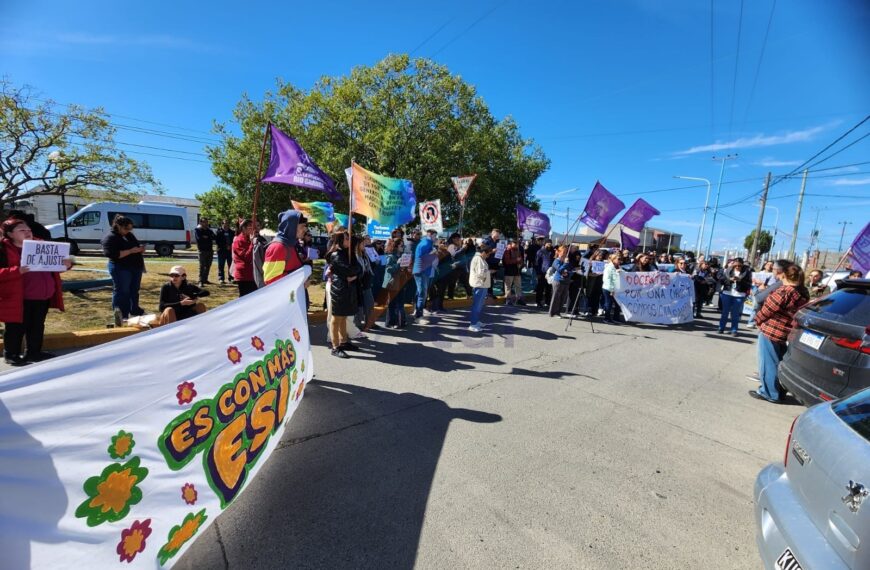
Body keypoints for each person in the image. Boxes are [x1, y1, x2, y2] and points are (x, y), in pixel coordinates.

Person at [0, 219, 70, 365]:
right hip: (19, 297)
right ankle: (11, 354)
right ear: (10, 234)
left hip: (42, 295)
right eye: (22, 230)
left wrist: (65, 265)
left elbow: (54, 268)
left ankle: (33, 352)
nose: (27, 232)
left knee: (37, 326)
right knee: (16, 327)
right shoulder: (3, 250)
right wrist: (17, 271)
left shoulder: (43, 245)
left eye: (28, 230)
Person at [749, 265, 810, 403]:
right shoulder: (803, 292)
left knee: (768, 363)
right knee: (779, 362)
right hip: (786, 331)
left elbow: (767, 309)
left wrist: (758, 320)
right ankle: (779, 391)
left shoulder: (784, 291)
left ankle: (769, 392)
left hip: (771, 330)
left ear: (784, 276)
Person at [101, 214, 146, 325]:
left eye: (131, 228)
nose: (129, 231)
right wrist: (131, 251)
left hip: (135, 267)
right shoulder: (110, 238)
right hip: (121, 268)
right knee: (122, 291)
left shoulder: (129, 235)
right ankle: (121, 314)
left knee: (134, 290)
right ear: (118, 226)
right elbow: (113, 254)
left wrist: (140, 249)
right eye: (126, 228)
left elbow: (135, 246)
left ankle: (134, 309)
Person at [326, 231, 360, 358]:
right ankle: (335, 347)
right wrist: (354, 272)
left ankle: (344, 341)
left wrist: (355, 274)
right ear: (340, 240)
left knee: (344, 316)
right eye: (346, 239)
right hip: (339, 289)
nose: (348, 241)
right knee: (337, 317)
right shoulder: (336, 255)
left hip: (347, 288)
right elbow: (349, 270)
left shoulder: (347, 253)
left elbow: (358, 268)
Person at [263, 211, 308, 285]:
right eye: (303, 226)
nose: (305, 230)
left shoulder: (290, 244)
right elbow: (270, 279)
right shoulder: (278, 247)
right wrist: (300, 280)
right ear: (292, 227)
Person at [718, 257, 752, 336]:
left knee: (735, 314)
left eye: (739, 266)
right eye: (735, 265)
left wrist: (740, 280)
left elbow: (749, 284)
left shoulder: (747, 272)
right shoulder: (728, 271)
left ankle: (734, 330)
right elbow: (722, 280)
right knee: (725, 312)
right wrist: (730, 279)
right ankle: (721, 328)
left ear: (742, 265)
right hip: (727, 293)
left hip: (739, 295)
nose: (737, 267)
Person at [383, 238, 410, 328]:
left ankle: (400, 321)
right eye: (401, 245)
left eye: (404, 245)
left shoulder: (403, 255)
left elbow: (403, 269)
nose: (403, 247)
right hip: (393, 283)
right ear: (396, 246)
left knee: (400, 302)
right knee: (392, 303)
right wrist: (398, 264)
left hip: (401, 282)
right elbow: (389, 269)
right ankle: (391, 322)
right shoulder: (391, 256)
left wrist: (405, 268)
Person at [412, 229, 437, 322]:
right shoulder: (425, 243)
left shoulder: (427, 243)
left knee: (420, 293)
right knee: (423, 294)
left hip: (423, 270)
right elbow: (422, 258)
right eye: (434, 235)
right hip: (421, 271)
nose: (436, 238)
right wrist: (433, 253)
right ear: (430, 235)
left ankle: (417, 311)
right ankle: (418, 316)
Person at [468, 243, 493, 332]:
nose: (488, 255)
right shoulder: (478, 259)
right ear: (483, 252)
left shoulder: (480, 258)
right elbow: (480, 273)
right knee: (477, 305)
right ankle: (473, 324)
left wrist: (487, 272)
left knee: (479, 305)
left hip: (482, 285)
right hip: (479, 285)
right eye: (488, 253)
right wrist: (487, 274)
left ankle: (476, 321)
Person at [232, 219, 257, 297]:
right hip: (244, 275)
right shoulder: (238, 240)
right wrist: (252, 244)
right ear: (243, 228)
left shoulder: (249, 238)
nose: (252, 230)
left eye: (252, 227)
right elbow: (246, 257)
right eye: (249, 228)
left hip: (251, 274)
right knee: (245, 298)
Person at [548, 246, 572, 317]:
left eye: (566, 252)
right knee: (556, 297)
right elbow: (559, 269)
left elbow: (570, 269)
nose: (565, 254)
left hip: (566, 281)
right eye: (563, 252)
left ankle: (558, 312)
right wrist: (565, 264)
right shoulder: (556, 261)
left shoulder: (566, 260)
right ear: (559, 252)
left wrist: (568, 272)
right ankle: (552, 312)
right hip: (558, 281)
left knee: (563, 298)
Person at [194, 217, 216, 286]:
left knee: (208, 266)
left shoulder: (209, 230)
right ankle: (200, 281)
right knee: (202, 266)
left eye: (206, 222)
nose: (206, 223)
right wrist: (207, 237)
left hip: (210, 250)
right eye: (204, 222)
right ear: (200, 222)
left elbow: (214, 237)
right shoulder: (198, 230)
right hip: (202, 251)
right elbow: (199, 238)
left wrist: (206, 237)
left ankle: (205, 279)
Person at [601, 252, 622, 324]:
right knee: (608, 303)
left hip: (616, 289)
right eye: (618, 259)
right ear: (613, 259)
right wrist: (611, 289)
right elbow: (607, 279)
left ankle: (616, 318)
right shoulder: (609, 267)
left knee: (617, 303)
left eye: (620, 259)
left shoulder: (618, 267)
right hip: (608, 288)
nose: (620, 260)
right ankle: (606, 318)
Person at [502, 239, 524, 306]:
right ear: (511, 244)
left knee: (518, 286)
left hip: (517, 271)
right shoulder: (507, 251)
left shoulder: (518, 251)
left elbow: (521, 260)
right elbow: (507, 261)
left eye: (517, 244)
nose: (516, 245)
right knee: (508, 286)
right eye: (514, 243)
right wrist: (516, 260)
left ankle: (519, 299)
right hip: (509, 271)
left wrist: (521, 263)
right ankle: (508, 299)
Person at [482, 228, 502, 298]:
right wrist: (491, 251)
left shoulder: (499, 242)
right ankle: (486, 293)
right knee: (487, 278)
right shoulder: (486, 241)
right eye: (496, 235)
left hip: (495, 262)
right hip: (488, 262)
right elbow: (482, 251)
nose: (497, 236)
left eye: (498, 235)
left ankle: (490, 292)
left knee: (493, 279)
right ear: (492, 234)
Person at [215, 219, 235, 285]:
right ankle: (221, 278)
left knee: (230, 265)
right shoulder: (219, 231)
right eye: (225, 223)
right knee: (221, 265)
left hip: (229, 251)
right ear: (222, 224)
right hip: (221, 251)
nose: (226, 225)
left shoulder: (232, 232)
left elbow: (234, 241)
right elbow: (217, 241)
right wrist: (225, 246)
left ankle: (231, 278)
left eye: (228, 223)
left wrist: (230, 246)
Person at [534, 241, 553, 309]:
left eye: (550, 244)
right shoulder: (540, 251)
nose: (549, 245)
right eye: (548, 244)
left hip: (550, 273)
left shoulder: (552, 251)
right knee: (540, 288)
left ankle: (547, 302)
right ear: (545, 244)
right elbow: (536, 262)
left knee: (549, 288)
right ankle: (538, 302)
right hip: (542, 272)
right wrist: (538, 272)